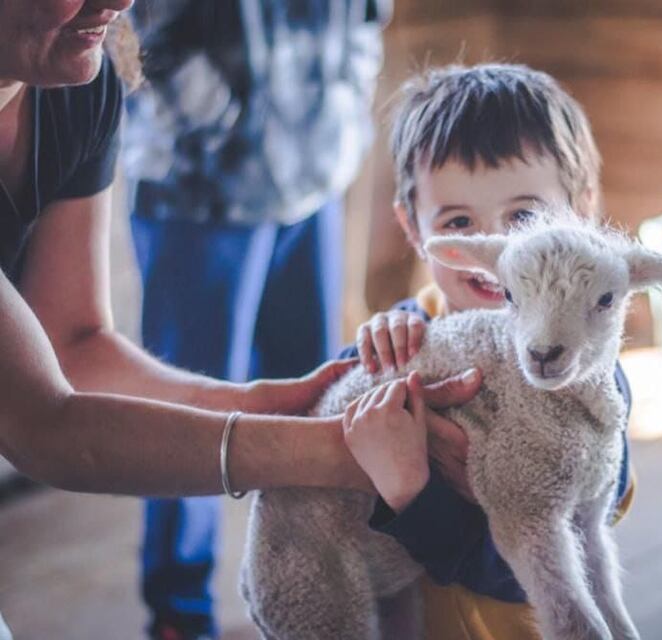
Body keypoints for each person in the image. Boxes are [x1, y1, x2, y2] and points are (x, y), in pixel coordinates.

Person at [0, 2, 476, 638]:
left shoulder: (80, 81)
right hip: (208, 179)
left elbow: (74, 345)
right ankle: (179, 611)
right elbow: (40, 424)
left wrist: (255, 403)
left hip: (305, 163)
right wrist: (331, 452)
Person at [120, 2, 391, 636]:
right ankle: (179, 614)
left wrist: (339, 120)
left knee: (314, 399)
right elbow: (148, 25)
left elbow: (368, 16)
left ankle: (305, 596)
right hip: (198, 188)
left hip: (312, 182)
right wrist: (227, 126)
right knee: (189, 409)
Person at [343, 63, 636, 640]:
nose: (495, 251)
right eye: (459, 221)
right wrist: (370, 349)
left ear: (580, 211)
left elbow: (522, 571)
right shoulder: (403, 337)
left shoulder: (582, 379)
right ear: (414, 227)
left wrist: (412, 493)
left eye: (523, 217)